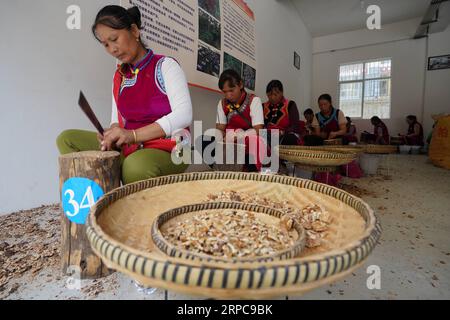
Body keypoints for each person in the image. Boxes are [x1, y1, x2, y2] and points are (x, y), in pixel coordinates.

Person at [56, 5, 193, 184]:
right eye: (105, 44)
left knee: (135, 167)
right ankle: (102, 196)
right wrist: (111, 134)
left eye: (114, 39)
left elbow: (184, 115)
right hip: (131, 148)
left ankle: (125, 178)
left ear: (134, 31)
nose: (112, 49)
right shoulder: (119, 76)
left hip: (173, 148)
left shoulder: (165, 66)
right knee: (67, 139)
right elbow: (117, 121)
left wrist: (132, 135)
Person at [215, 69, 266, 172]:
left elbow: (258, 130)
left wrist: (239, 136)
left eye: (231, 90)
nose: (228, 95)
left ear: (241, 85)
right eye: (225, 92)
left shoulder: (254, 100)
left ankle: (251, 174)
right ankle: (223, 170)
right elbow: (220, 129)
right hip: (229, 141)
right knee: (204, 140)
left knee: (255, 141)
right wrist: (221, 140)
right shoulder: (222, 103)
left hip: (247, 140)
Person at [263, 80, 300, 146]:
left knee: (290, 139)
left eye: (275, 94)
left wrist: (282, 132)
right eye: (269, 95)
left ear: (282, 93)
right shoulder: (263, 106)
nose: (272, 97)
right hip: (267, 134)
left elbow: (295, 125)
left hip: (284, 134)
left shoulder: (290, 104)